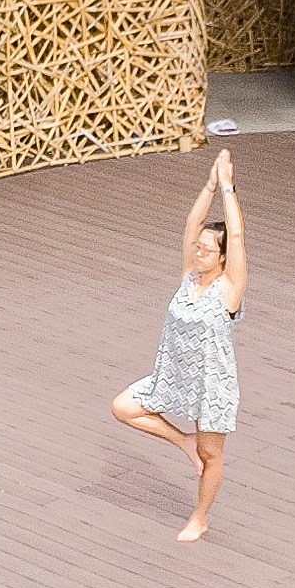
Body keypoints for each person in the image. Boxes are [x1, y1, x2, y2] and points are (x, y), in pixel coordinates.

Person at [110, 150, 247, 542]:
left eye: (207, 249)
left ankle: (200, 516)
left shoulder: (229, 289)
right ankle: (181, 440)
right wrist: (208, 183)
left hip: (210, 384)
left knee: (211, 455)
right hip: (172, 374)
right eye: (198, 248)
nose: (199, 251)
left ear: (222, 258)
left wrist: (227, 187)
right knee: (123, 407)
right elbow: (191, 224)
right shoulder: (189, 276)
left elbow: (236, 235)